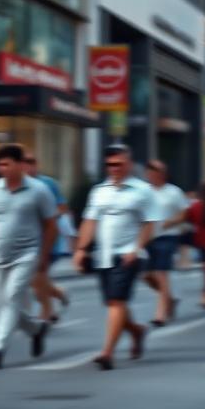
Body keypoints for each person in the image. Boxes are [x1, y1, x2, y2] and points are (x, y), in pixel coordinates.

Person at [74, 144, 159, 370]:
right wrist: (81, 250)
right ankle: (137, 331)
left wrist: (136, 248)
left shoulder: (142, 190)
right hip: (104, 256)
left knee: (116, 301)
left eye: (119, 164)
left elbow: (150, 224)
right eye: (110, 165)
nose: (114, 168)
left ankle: (107, 353)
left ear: (128, 164)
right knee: (113, 302)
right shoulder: (99, 191)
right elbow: (90, 222)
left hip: (129, 255)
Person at [0, 144, 57, 368]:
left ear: (20, 165)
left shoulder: (39, 190)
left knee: (11, 298)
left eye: (6, 164)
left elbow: (51, 225)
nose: (1, 169)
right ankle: (37, 329)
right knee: (3, 303)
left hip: (27, 254)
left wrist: (44, 255)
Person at [22, 150, 72, 324]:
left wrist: (48, 217)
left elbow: (63, 208)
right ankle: (58, 293)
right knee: (36, 280)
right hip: (28, 241)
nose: (28, 167)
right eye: (25, 163)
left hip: (49, 241)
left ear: (36, 165)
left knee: (38, 277)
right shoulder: (19, 185)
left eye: (31, 163)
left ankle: (47, 312)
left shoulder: (48, 183)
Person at [143, 160, 190, 326]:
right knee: (146, 276)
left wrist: (170, 222)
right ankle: (169, 299)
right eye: (151, 170)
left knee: (161, 274)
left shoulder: (173, 192)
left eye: (157, 170)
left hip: (167, 237)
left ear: (163, 173)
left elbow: (185, 214)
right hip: (146, 238)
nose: (154, 174)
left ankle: (160, 315)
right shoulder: (143, 191)